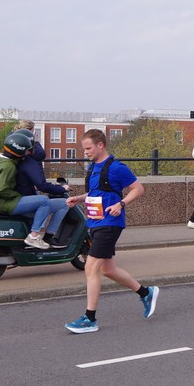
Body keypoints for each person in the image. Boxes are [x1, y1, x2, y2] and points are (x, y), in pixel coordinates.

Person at [62, 129, 158, 333]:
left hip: (110, 223)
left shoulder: (116, 167)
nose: (85, 152)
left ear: (100, 145)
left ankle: (90, 319)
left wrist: (120, 204)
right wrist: (79, 198)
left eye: (88, 148)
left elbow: (138, 189)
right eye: (84, 149)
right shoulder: (93, 168)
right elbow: (96, 192)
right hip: (95, 222)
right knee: (108, 270)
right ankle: (146, 293)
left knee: (90, 267)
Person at [0, 131, 70, 250]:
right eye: (27, 150)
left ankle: (49, 236)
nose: (28, 153)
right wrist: (17, 196)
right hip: (6, 203)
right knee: (44, 200)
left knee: (64, 203)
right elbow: (2, 190)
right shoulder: (8, 166)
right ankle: (34, 236)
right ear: (19, 151)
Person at [10, 123, 70, 245]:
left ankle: (41, 235)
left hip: (14, 198)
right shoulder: (29, 161)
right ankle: (40, 236)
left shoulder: (13, 157)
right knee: (62, 203)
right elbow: (42, 185)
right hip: (22, 201)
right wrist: (62, 189)